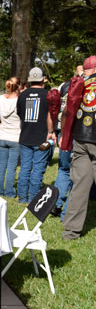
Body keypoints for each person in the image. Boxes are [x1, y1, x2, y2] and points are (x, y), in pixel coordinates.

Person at [62, 55, 96, 240]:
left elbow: (66, 111)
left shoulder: (78, 84)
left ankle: (70, 231)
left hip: (80, 139)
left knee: (79, 186)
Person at [16, 67, 56, 203]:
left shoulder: (22, 95)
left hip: (25, 136)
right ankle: (33, 198)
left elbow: (20, 114)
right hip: (42, 137)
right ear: (43, 79)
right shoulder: (48, 95)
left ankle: (22, 197)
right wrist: (51, 132)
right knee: (38, 169)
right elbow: (51, 115)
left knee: (25, 168)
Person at [52, 65, 84, 219]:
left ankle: (55, 204)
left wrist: (61, 133)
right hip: (81, 136)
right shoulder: (86, 86)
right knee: (78, 175)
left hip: (65, 132)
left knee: (64, 170)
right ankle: (67, 212)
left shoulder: (65, 85)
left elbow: (63, 111)